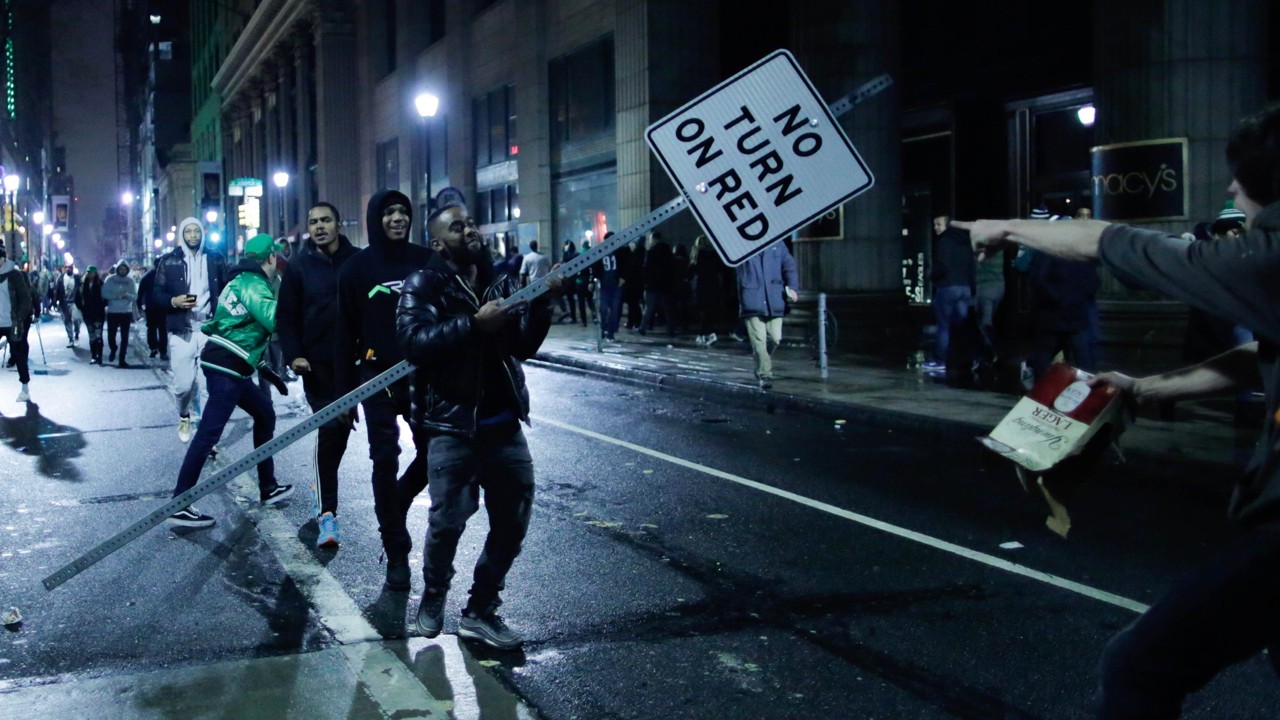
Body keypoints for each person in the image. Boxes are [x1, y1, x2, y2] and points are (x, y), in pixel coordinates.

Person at [955, 104, 1280, 719]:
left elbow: (1113, 243)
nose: (1232, 189)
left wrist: (1006, 227)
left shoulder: (1268, 259)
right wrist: (1150, 389)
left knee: (1139, 666)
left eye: (1242, 176)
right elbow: (1261, 352)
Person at [397, 202, 557, 649]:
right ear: (436, 241)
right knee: (448, 523)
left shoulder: (497, 280)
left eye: (470, 223)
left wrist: (541, 299)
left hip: (504, 425)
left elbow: (521, 345)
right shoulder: (422, 283)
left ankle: (482, 609)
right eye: (457, 226)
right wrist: (472, 323)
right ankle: (432, 598)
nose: (469, 230)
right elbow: (413, 342)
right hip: (451, 427)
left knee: (513, 522)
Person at [335, 190, 433, 590]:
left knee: (435, 452)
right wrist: (345, 394)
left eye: (403, 212)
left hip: (424, 375)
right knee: (383, 460)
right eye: (389, 212)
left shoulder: (427, 260)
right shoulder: (356, 268)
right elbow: (344, 332)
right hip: (376, 377)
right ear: (376, 218)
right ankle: (396, 549)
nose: (397, 218)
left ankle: (397, 501)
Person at [165, 234, 294, 528]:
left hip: (227, 364)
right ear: (272, 258)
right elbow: (275, 320)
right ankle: (179, 501)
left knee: (264, 412)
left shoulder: (237, 282)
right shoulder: (254, 284)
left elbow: (241, 332)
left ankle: (268, 486)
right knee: (209, 434)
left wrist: (268, 372)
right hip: (227, 368)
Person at [278, 201, 359, 549]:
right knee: (330, 430)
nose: (319, 226)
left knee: (340, 435)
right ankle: (328, 514)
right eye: (313, 222)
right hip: (318, 367)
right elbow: (286, 316)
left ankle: (322, 485)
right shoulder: (297, 267)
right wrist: (295, 354)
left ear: (339, 224)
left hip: (356, 367)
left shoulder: (358, 261)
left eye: (326, 220)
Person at [151, 217, 229, 443]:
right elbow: (155, 296)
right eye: (188, 232)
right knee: (184, 387)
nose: (193, 235)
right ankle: (184, 415)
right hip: (181, 330)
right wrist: (174, 301)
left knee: (208, 387)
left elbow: (227, 288)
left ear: (202, 233)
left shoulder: (215, 258)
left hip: (209, 330)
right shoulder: (169, 261)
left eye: (196, 231)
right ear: (182, 235)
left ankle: (207, 439)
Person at [735, 242, 798, 389]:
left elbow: (789, 266)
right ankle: (765, 373)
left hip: (774, 298)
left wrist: (793, 288)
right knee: (759, 341)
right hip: (752, 298)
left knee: (776, 338)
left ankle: (761, 360)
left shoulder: (778, 245)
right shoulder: (742, 245)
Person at [924, 215, 975, 375]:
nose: (936, 228)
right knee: (962, 325)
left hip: (947, 287)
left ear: (948, 226)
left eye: (938, 224)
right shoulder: (965, 242)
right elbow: (971, 266)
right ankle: (968, 358)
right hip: (964, 287)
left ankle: (940, 361)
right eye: (934, 224)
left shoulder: (943, 242)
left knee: (943, 326)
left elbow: (942, 266)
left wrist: (931, 275)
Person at [0, 247, 34, 401]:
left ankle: (25, 388)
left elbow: (25, 298)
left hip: (12, 322)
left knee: (18, 354)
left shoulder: (14, 275)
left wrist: (19, 318)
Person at [690, 235, 725, 346]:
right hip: (713, 284)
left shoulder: (697, 254)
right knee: (710, 312)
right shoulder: (715, 254)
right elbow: (720, 270)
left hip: (701, 285)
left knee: (704, 312)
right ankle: (707, 333)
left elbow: (691, 270)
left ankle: (705, 334)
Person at [638, 231, 674, 336]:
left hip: (652, 285)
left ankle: (643, 328)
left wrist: (645, 282)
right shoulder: (668, 251)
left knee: (649, 308)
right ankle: (670, 329)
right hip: (665, 284)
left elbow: (646, 269)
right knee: (668, 309)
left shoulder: (651, 252)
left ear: (653, 239)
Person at [103, 259, 137, 368]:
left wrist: (127, 295)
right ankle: (113, 349)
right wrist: (115, 296)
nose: (122, 271)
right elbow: (104, 293)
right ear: (117, 269)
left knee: (125, 337)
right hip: (113, 312)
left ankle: (122, 359)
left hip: (126, 312)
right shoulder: (110, 279)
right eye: (121, 269)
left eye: (124, 269)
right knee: (111, 336)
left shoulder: (130, 281)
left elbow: (135, 296)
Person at [594, 232, 625, 341]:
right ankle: (603, 329)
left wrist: (622, 277)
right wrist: (595, 280)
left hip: (616, 285)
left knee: (614, 310)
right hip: (604, 285)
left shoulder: (620, 251)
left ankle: (611, 332)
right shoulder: (600, 251)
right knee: (603, 309)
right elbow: (596, 267)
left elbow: (625, 265)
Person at [76, 265, 107, 366]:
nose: (90, 274)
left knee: (99, 336)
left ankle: (100, 356)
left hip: (98, 313)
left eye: (92, 272)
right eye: (88, 272)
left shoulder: (100, 284)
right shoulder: (82, 285)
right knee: (92, 336)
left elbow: (105, 297)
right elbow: (77, 298)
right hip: (88, 314)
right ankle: (94, 356)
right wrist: (82, 307)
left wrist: (101, 306)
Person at [136, 260, 167, 360]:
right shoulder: (166, 276)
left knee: (152, 328)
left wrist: (140, 304)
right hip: (160, 306)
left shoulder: (147, 276)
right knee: (161, 329)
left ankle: (154, 348)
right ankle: (162, 351)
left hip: (152, 306)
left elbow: (140, 292)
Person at [55, 264, 81, 348]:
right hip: (64, 303)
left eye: (69, 267)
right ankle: (71, 338)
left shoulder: (77, 278)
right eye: (66, 267)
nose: (68, 269)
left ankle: (76, 333)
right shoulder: (61, 278)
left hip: (75, 302)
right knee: (67, 320)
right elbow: (57, 290)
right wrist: (55, 301)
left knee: (76, 319)